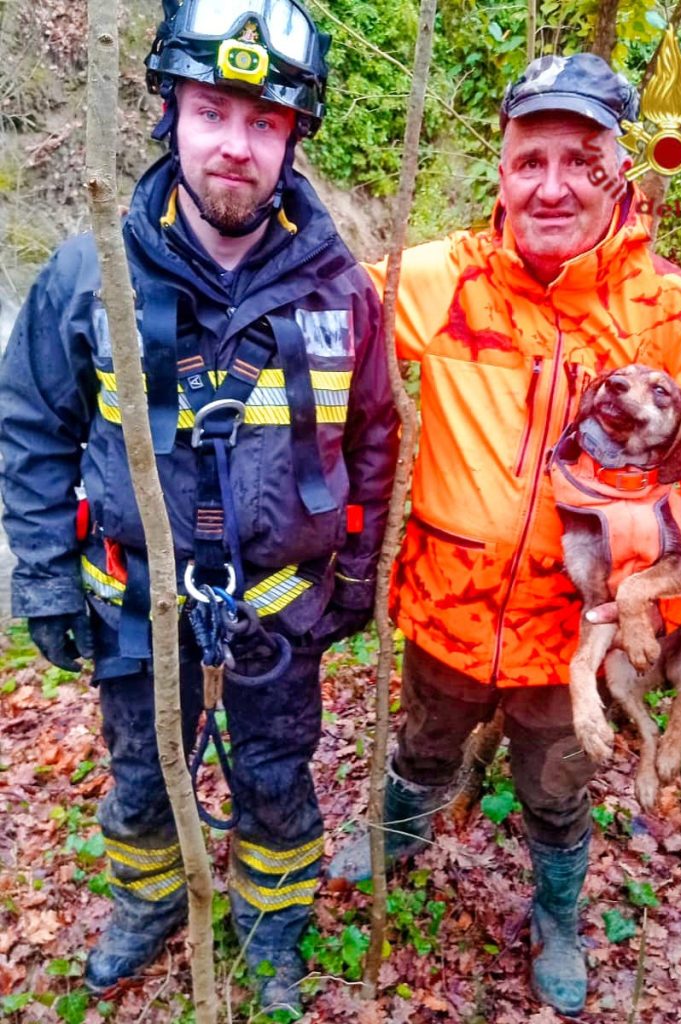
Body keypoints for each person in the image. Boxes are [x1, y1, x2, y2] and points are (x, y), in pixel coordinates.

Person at [328, 54, 681, 1015]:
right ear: (502, 172)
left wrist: (662, 600)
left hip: (577, 641)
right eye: (530, 159)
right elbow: (312, 306)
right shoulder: (440, 279)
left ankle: (558, 916)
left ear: (621, 174)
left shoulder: (675, 314)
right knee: (424, 744)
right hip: (445, 611)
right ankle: (397, 838)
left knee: (558, 788)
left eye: (582, 158)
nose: (553, 184)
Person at [0, 0, 397, 1013]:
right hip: (133, 608)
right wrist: (45, 572)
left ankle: (273, 924)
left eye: (265, 123)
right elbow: (32, 425)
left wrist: (353, 578)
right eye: (215, 111)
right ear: (169, 110)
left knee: (276, 778)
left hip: (279, 614)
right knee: (140, 778)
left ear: (295, 138)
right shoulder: (93, 272)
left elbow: (374, 440)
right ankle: (149, 902)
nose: (237, 145)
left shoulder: (342, 291)